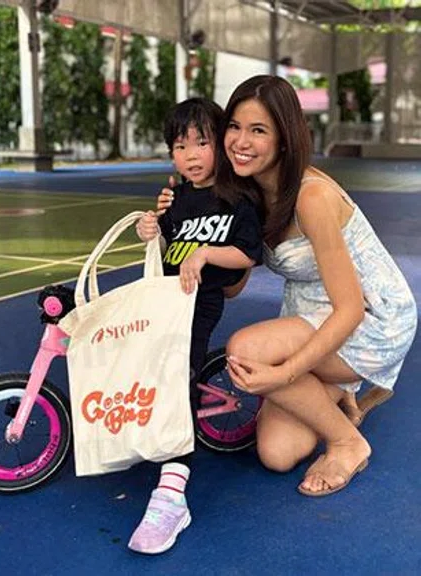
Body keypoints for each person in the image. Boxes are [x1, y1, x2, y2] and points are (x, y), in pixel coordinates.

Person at [160, 75, 416, 497]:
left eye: (259, 130)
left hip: (370, 317)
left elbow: (350, 309)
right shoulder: (245, 194)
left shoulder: (311, 198)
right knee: (277, 453)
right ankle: (335, 392)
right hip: (310, 310)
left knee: (246, 349)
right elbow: (232, 289)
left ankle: (348, 443)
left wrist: (285, 372)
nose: (241, 141)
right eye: (235, 127)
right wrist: (186, 221)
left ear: (284, 139)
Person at [128, 98, 263, 555]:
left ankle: (171, 492)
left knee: (176, 376)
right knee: (145, 364)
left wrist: (206, 254)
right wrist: (150, 228)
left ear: (221, 144)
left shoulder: (238, 198)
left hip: (199, 302)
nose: (191, 155)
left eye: (202, 143)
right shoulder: (178, 197)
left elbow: (247, 254)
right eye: (180, 146)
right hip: (165, 299)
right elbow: (168, 241)